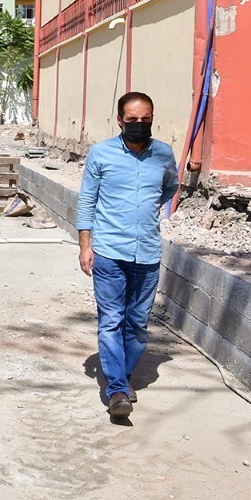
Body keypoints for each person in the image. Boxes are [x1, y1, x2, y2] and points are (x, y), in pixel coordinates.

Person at [76, 91, 178, 421]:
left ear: (152, 120)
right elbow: (87, 201)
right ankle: (118, 389)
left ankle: (124, 376)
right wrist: (85, 245)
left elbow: (169, 188)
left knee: (136, 325)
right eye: (132, 120)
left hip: (147, 254)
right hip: (108, 252)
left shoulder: (163, 154)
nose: (138, 125)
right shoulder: (100, 154)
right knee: (110, 322)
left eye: (144, 120)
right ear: (119, 120)